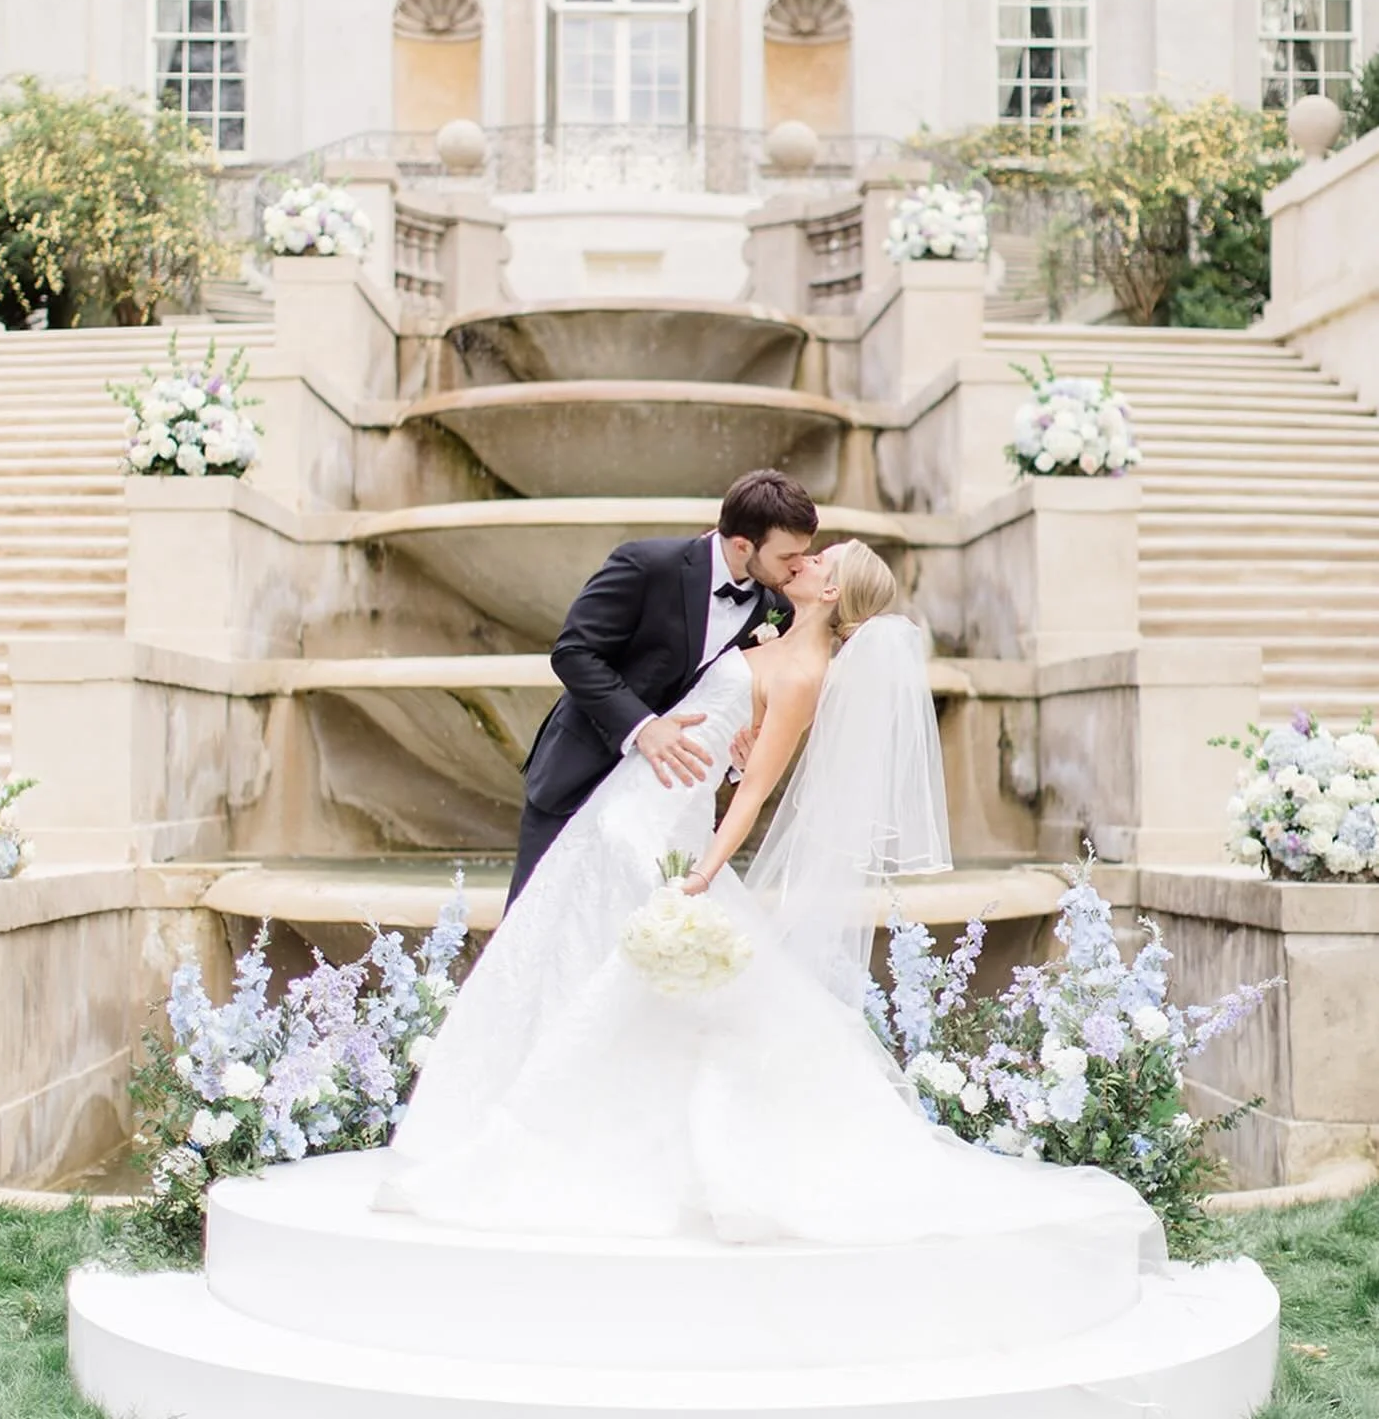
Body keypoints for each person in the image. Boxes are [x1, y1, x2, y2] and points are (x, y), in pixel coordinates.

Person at [379, 538, 1163, 1278]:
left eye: (820, 558)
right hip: (621, 802)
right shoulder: (769, 628)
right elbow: (730, 731)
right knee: (567, 952)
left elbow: (751, 796)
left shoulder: (805, 671)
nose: (806, 557)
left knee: (627, 972)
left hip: (660, 829)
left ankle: (565, 1140)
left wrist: (703, 876)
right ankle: (519, 1110)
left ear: (831, 590)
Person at [505, 466, 817, 905]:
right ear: (743, 544)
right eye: (788, 557)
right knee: (536, 924)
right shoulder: (645, 564)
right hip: (580, 774)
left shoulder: (775, 610)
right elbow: (573, 653)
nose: (799, 566)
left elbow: (733, 700)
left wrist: (736, 762)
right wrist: (643, 726)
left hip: (660, 806)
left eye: (805, 554)